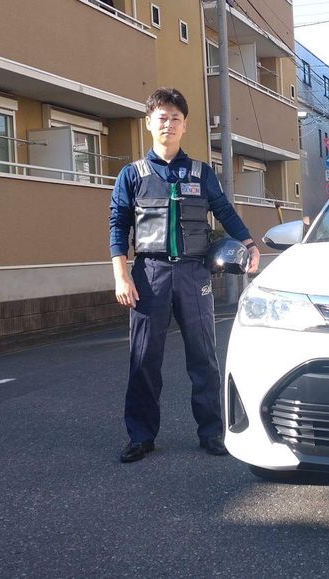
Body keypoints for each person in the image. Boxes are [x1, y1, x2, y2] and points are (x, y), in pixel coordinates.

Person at [109, 87, 260, 463]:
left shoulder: (201, 173)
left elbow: (224, 210)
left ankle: (211, 432)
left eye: (175, 118)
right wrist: (121, 275)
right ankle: (141, 436)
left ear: (185, 125)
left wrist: (250, 244)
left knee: (204, 357)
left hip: (195, 273)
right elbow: (118, 225)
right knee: (144, 358)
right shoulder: (133, 175)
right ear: (148, 123)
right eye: (162, 117)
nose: (169, 124)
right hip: (150, 274)